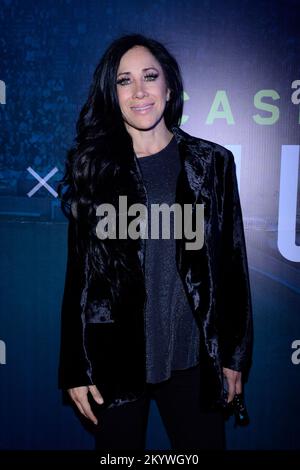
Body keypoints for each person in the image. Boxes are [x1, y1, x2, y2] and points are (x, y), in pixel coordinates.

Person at [58, 33, 253, 451]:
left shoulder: (213, 163)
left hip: (191, 358)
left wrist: (234, 356)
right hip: (117, 362)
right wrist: (76, 367)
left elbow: (232, 262)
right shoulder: (96, 169)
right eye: (124, 81)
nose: (140, 91)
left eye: (150, 76)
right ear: (112, 94)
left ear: (169, 86)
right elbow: (81, 277)